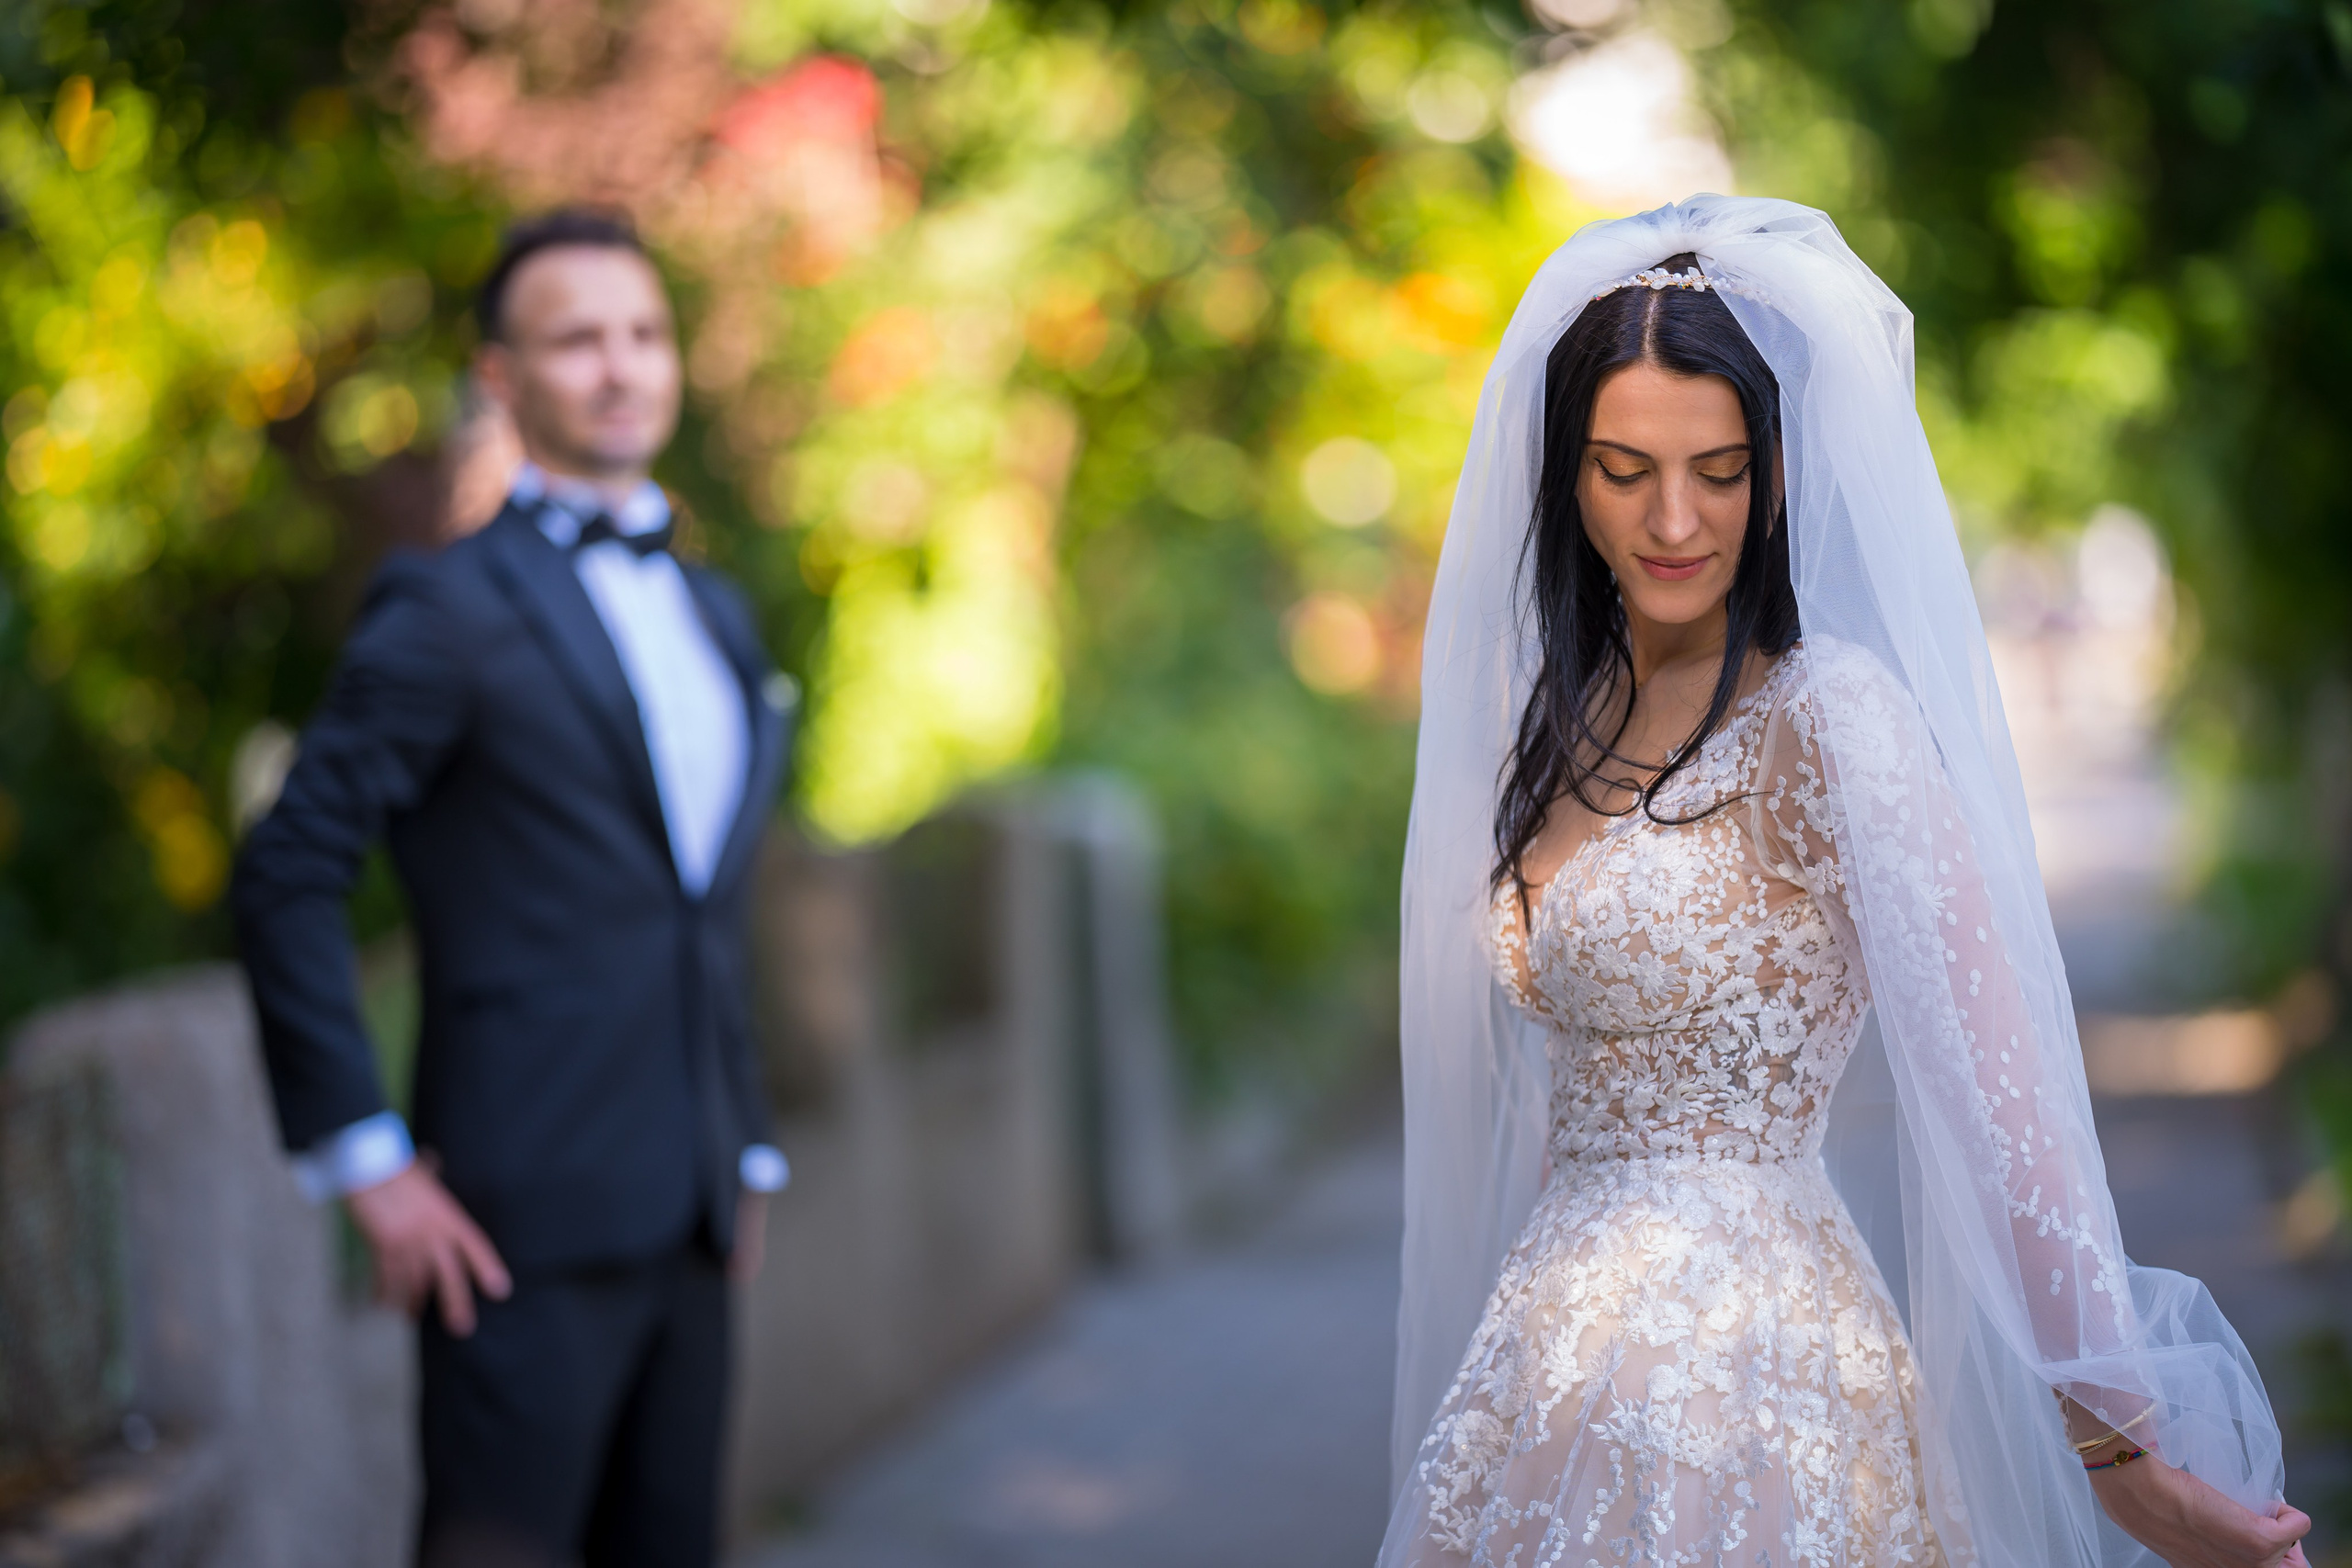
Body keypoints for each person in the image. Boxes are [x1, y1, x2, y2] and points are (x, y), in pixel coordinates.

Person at [1381, 197, 2308, 1567]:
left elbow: (2007, 1105)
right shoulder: (1557, 725)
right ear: (1566, 476)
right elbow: (1576, 1089)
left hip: (1759, 1376)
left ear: (1775, 472)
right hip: (1554, 1370)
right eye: (1624, 469)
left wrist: (2120, 1454)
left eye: (1720, 468)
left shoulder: (1829, 718)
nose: (1676, 518)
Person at [232, 208, 795, 1568]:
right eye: (579, 339)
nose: (621, 367)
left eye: (645, 335)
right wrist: (364, 1162)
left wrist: (749, 1137)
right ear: (504, 379)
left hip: (696, 1218)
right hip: (511, 1230)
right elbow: (289, 870)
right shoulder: (447, 608)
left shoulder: (717, 611)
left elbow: (699, 909)